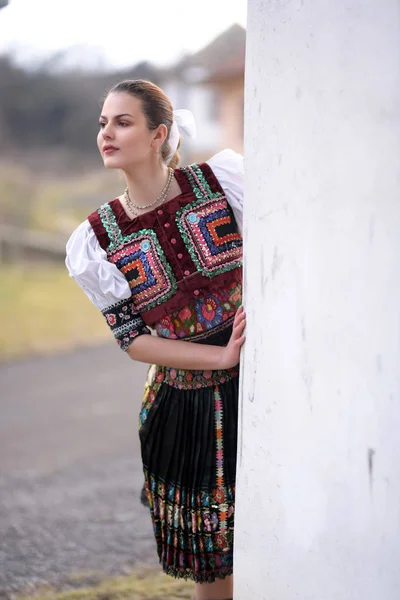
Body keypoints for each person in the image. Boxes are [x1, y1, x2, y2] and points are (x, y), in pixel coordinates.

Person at [65, 79, 245, 600]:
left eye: (122, 122)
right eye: (102, 123)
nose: (107, 133)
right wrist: (221, 355)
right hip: (180, 406)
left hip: (258, 387)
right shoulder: (95, 238)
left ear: (157, 133)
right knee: (213, 561)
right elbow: (134, 340)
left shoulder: (223, 182)